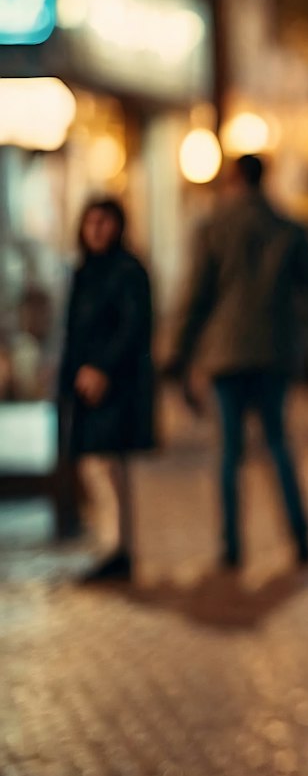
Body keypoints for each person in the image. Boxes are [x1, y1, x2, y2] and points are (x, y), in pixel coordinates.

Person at [164, 153, 308, 571]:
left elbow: (195, 295)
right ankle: (301, 539)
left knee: (228, 451)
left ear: (234, 179)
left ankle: (231, 547)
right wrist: (294, 326)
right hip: (275, 353)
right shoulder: (289, 228)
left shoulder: (213, 228)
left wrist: (176, 352)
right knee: (277, 443)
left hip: (225, 354)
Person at [58, 198, 155, 583]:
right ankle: (110, 544)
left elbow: (133, 327)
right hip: (85, 383)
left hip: (113, 387)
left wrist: (102, 368)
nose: (97, 229)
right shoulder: (85, 271)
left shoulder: (127, 271)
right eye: (90, 222)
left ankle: (116, 549)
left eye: (104, 221)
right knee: (94, 464)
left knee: (107, 464)